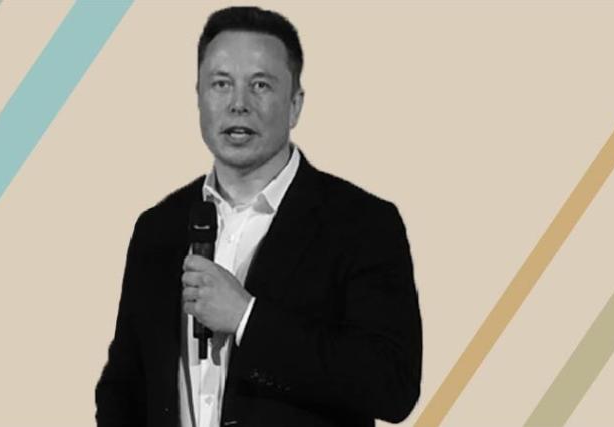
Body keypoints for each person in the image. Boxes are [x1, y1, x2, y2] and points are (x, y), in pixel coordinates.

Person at [95, 6, 423, 426]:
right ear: (198, 96)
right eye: (221, 84)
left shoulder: (363, 223)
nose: (238, 104)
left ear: (295, 105)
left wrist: (247, 318)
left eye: (260, 85)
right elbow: (124, 384)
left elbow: (392, 386)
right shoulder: (157, 227)